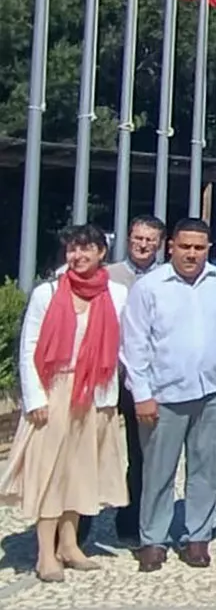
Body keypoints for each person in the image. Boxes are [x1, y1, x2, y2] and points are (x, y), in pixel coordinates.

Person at [1, 225, 130, 582]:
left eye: (86, 249)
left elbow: (124, 346)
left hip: (95, 391)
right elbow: (29, 347)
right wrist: (35, 398)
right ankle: (46, 551)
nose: (78, 256)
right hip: (55, 387)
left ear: (101, 253)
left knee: (80, 470)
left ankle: (70, 544)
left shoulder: (116, 293)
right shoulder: (47, 293)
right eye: (73, 249)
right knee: (51, 471)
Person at [119, 218, 216, 572]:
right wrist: (142, 394)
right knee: (158, 471)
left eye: (199, 248)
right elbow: (134, 345)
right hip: (164, 394)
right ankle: (153, 539)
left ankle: (198, 537)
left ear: (209, 249)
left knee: (207, 468)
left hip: (215, 390)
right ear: (171, 246)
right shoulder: (150, 287)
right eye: (185, 246)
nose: (192, 254)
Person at [105, 213, 164, 543]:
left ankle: (133, 519)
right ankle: (79, 525)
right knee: (95, 449)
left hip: (143, 378)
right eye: (138, 238)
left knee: (141, 453)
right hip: (108, 374)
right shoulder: (108, 275)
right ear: (129, 239)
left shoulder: (166, 277)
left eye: (150, 240)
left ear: (159, 244)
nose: (143, 245)